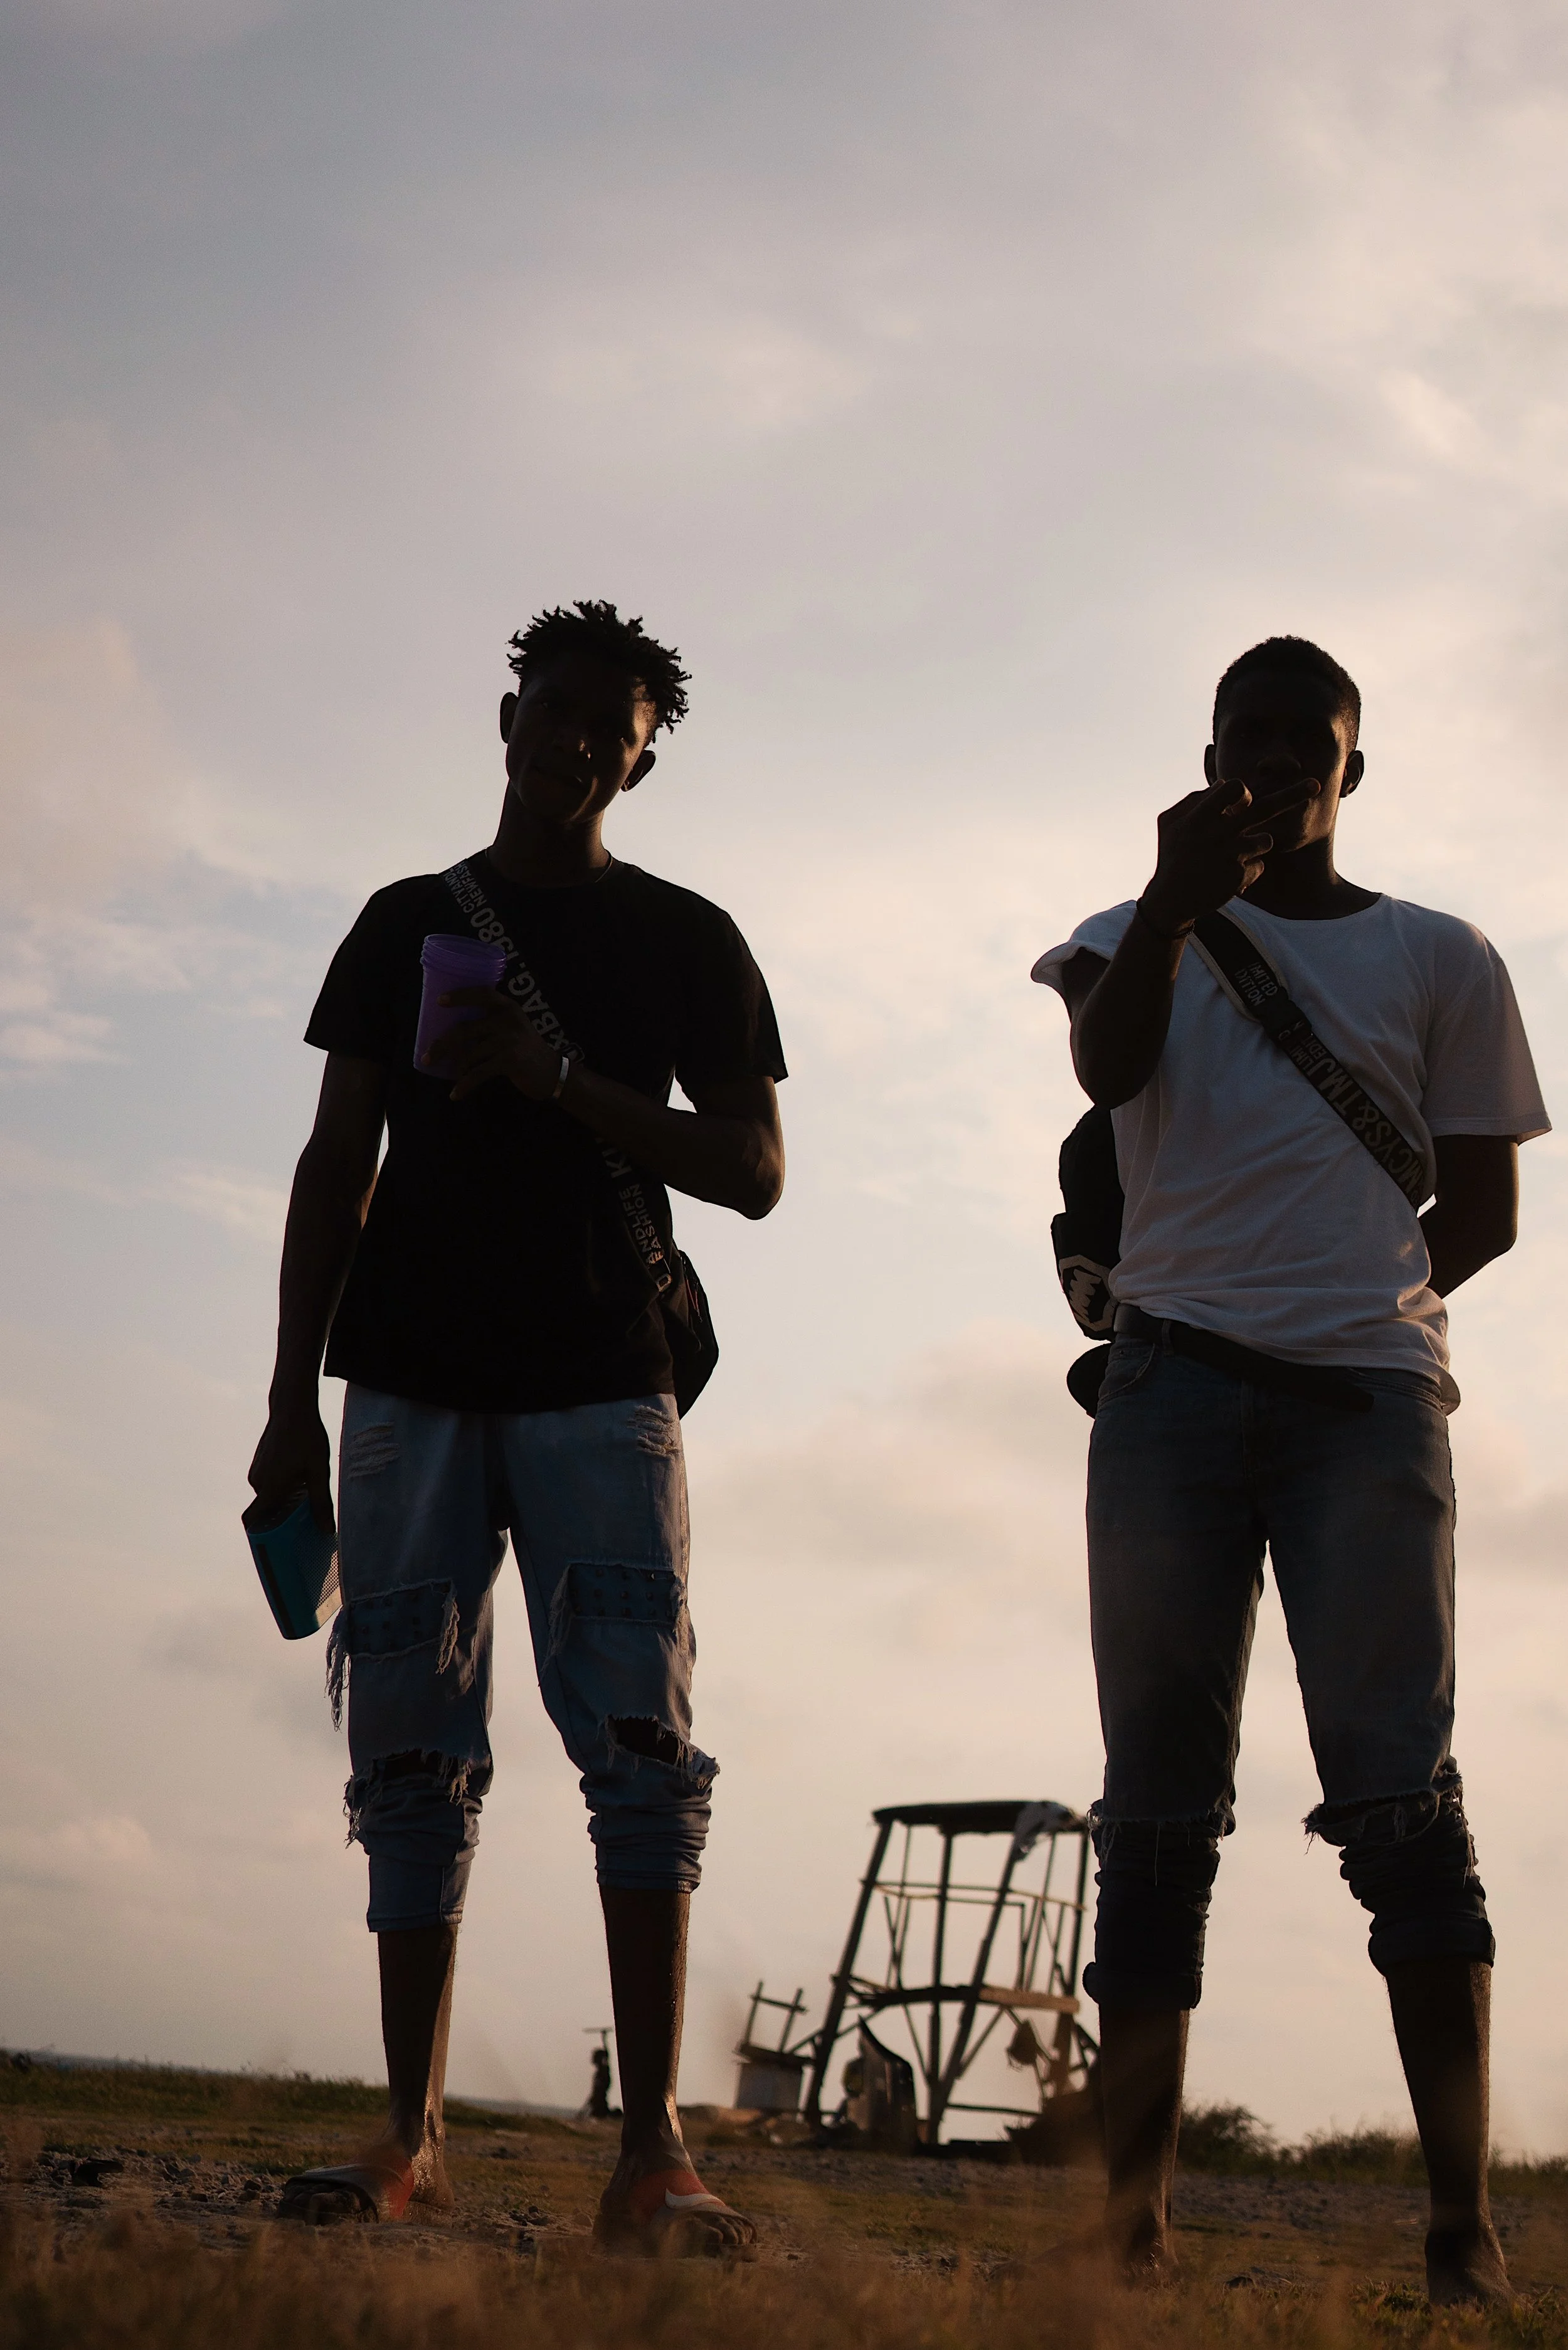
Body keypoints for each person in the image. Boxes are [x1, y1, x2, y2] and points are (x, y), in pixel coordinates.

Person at [248, 600, 785, 2254]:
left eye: (605, 724)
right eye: (548, 712)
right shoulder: (406, 920)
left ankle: (656, 2157)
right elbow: (337, 1163)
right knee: (408, 1757)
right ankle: (406, 2138)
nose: (570, 743)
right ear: (506, 724)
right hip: (403, 1376)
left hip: (603, 1376)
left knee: (639, 1753)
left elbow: (752, 1173)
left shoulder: (687, 937)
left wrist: (558, 1083)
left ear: (644, 751)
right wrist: (286, 1407)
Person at [1032, 637, 1548, 2304]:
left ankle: (1461, 2235)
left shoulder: (1441, 956)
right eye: (1240, 740)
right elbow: (1105, 1077)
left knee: (1402, 1809)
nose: (1267, 767)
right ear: (1202, 753)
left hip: (1364, 1409)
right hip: (1170, 1400)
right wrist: (1173, 906)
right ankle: (1131, 2237)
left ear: (1350, 769)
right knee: (1156, 1817)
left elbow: (1480, 1210)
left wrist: (1339, 1307)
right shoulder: (1126, 937)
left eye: (1301, 745)